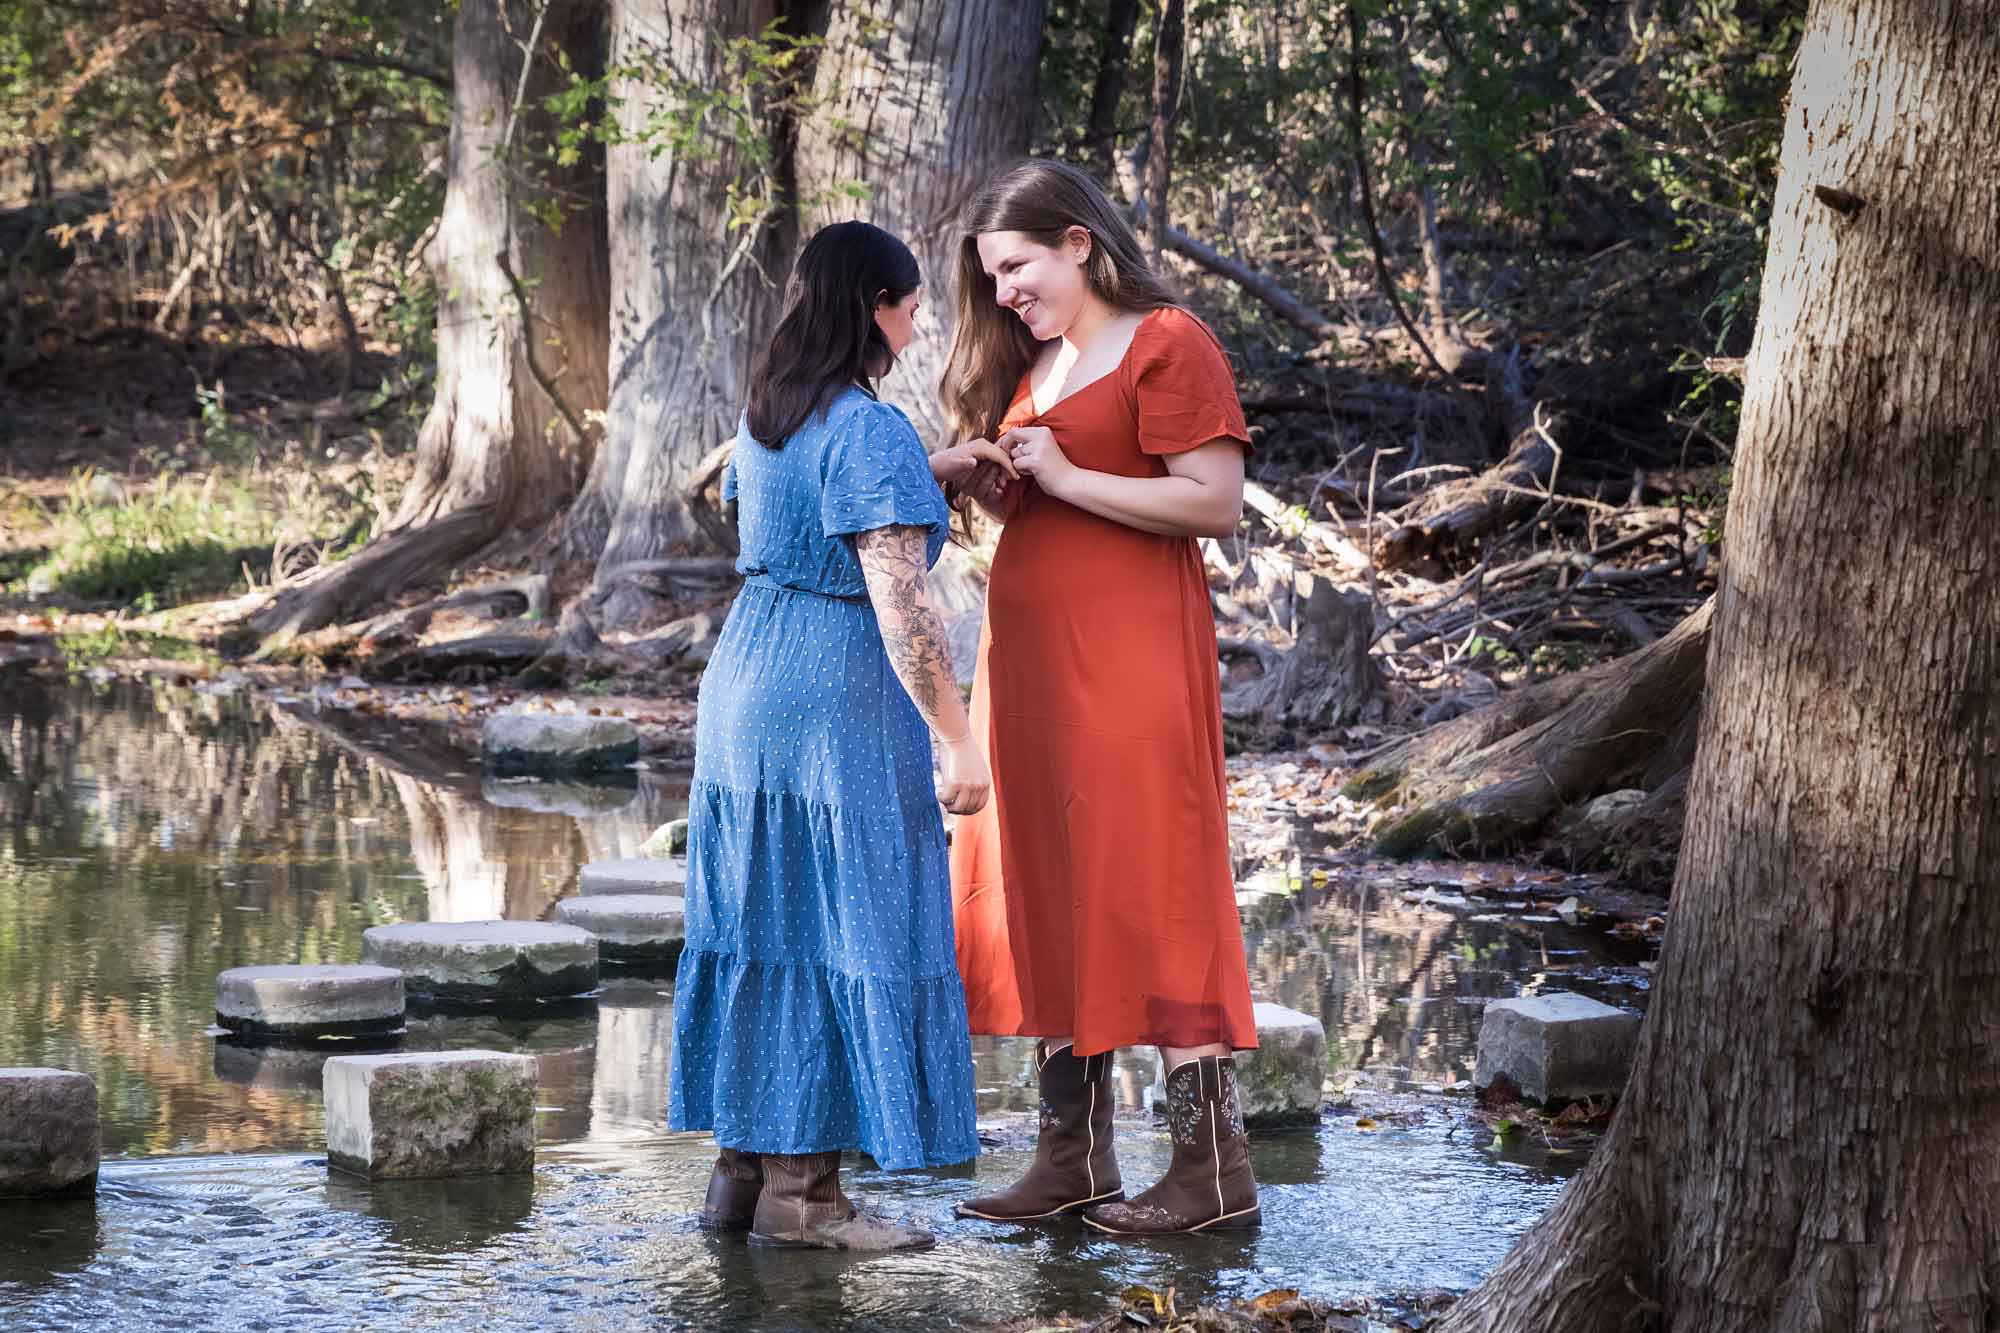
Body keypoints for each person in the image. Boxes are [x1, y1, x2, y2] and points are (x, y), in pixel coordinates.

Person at [668, 219, 1011, 1251]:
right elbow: (901, 604)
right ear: (873, 306)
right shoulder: (869, 430)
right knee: (837, 921)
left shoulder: (770, 408)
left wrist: (932, 466)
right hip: (832, 695)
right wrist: (956, 737)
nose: (916, 324)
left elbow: (804, 512)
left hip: (745, 681)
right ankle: (806, 1200)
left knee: (763, 920)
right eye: (907, 305)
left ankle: (742, 1177)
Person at [941, 160, 1262, 1236]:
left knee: (1147, 876)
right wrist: (998, 483)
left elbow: (1212, 502)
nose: (1003, 293)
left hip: (1127, 663)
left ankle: (1210, 1167)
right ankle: (1070, 1155)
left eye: (1018, 265)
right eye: (991, 275)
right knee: (1050, 878)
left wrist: (1068, 479)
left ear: (1079, 241)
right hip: (1030, 668)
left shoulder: (1168, 340)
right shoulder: (1040, 357)